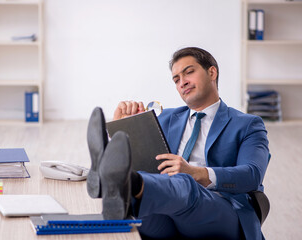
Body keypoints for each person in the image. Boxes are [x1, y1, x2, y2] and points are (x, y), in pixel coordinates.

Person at [86, 47, 270, 240]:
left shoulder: (248, 124)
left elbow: (252, 174)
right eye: (176, 79)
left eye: (189, 72)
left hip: (221, 211)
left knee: (184, 182)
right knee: (141, 203)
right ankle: (116, 177)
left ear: (212, 72)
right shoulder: (165, 117)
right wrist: (122, 128)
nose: (182, 82)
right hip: (165, 210)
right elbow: (147, 164)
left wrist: (196, 173)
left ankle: (128, 184)